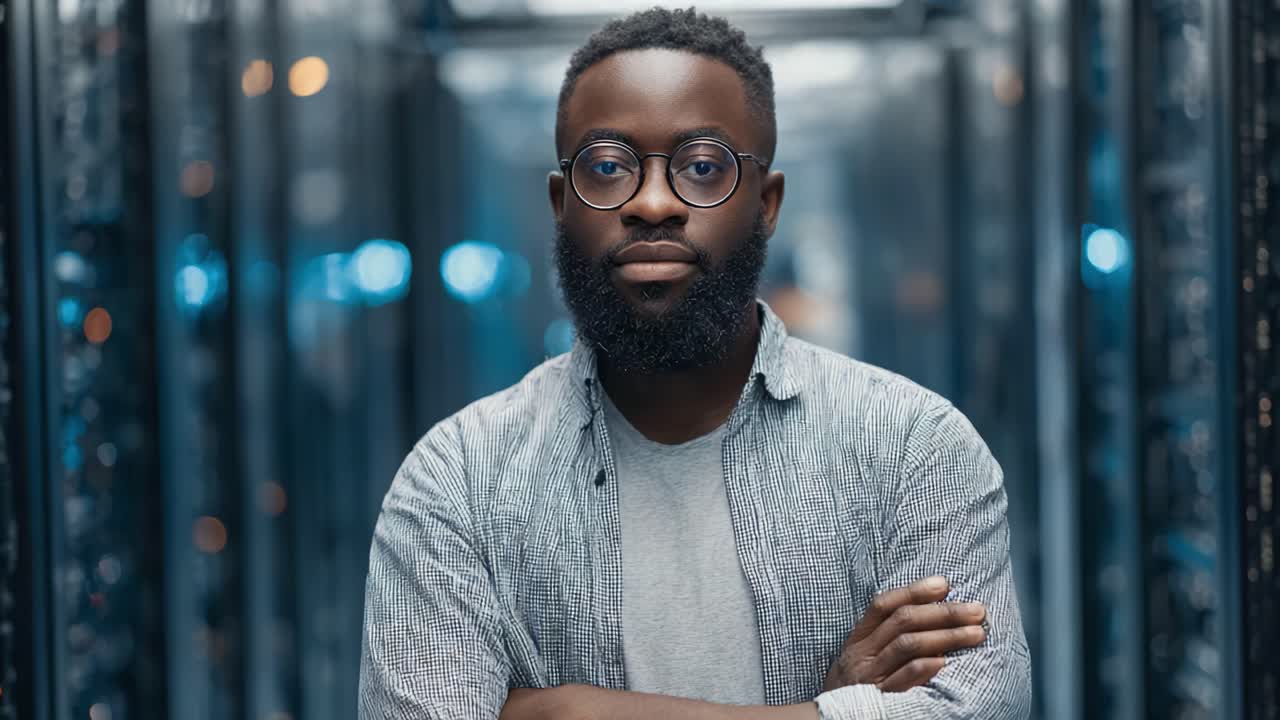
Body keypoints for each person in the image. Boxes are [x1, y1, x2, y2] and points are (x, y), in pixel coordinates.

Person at [358, 7, 1031, 719]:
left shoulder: (912, 447)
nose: (652, 203)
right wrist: (829, 710)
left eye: (703, 167)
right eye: (608, 167)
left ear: (766, 203)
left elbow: (977, 708)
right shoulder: (456, 481)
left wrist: (565, 713)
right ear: (561, 204)